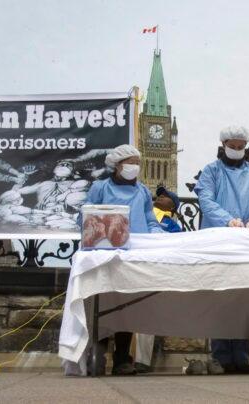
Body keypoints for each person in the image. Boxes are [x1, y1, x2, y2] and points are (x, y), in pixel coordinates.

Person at [194, 126, 249, 374]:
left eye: (241, 147)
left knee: (243, 299)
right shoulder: (211, 171)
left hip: (246, 240)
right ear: (224, 144)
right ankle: (221, 357)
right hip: (218, 239)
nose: (237, 151)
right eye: (233, 146)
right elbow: (206, 200)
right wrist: (227, 220)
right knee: (220, 297)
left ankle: (241, 357)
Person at [82, 144, 164, 376]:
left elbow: (150, 219)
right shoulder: (100, 188)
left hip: (133, 254)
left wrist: (156, 234)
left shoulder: (143, 192)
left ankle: (121, 358)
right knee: (103, 301)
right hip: (105, 252)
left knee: (127, 305)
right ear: (116, 165)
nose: (134, 167)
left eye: (137, 163)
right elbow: (88, 216)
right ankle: (97, 353)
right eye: (130, 162)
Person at [133, 186, 182, 374]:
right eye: (159, 195)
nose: (160, 196)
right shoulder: (141, 214)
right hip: (135, 266)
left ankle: (141, 361)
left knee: (146, 316)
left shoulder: (172, 226)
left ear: (173, 207)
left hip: (153, 272)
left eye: (166, 197)